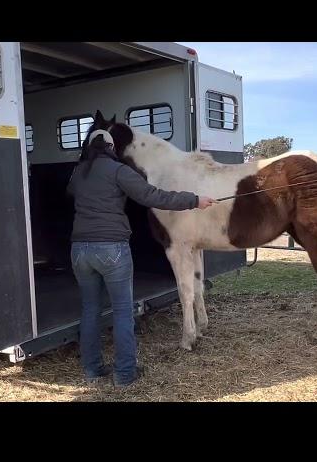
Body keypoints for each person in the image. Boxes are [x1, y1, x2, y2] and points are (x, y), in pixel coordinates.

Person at [67, 131, 215, 387]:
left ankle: (92, 369)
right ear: (112, 147)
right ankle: (124, 373)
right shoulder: (117, 170)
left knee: (90, 309)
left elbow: (71, 193)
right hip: (111, 249)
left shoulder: (78, 173)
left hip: (80, 250)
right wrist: (194, 200)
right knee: (123, 311)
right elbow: (153, 196)